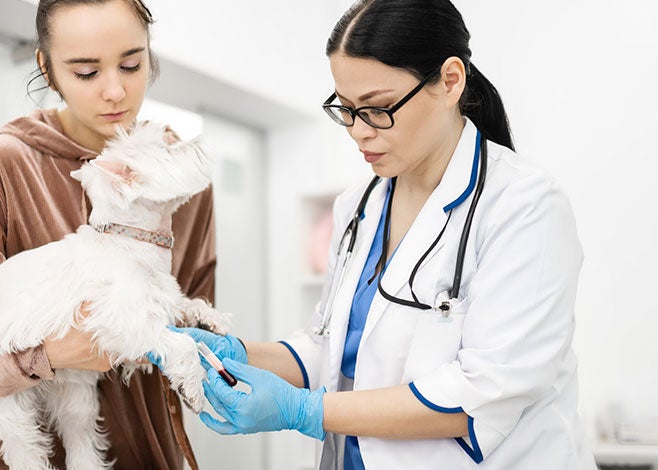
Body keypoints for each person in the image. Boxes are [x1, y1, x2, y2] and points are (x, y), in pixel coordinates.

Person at [168, 0, 597, 468]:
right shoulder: (359, 205)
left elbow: (483, 392)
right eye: (346, 109)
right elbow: (329, 346)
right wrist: (240, 353)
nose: (358, 131)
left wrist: (305, 411)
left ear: (450, 81)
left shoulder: (523, 205)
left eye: (377, 108)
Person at [0, 1, 216, 468]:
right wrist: (43, 353)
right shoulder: (6, 163)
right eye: (87, 72)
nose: (115, 91)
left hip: (148, 452)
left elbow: (192, 316)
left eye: (132, 64)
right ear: (47, 69)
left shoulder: (176, 177)